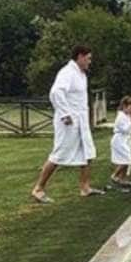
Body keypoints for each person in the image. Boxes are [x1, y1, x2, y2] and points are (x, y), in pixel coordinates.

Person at [31, 44, 104, 203]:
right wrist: (65, 114)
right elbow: (56, 93)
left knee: (88, 152)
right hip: (68, 122)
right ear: (80, 56)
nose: (90, 62)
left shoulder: (81, 74)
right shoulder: (67, 73)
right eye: (88, 58)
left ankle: (85, 187)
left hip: (81, 121)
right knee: (59, 154)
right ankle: (38, 188)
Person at [108, 96, 131, 192]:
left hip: (125, 140)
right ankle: (115, 175)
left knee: (126, 159)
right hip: (119, 140)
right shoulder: (120, 117)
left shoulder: (127, 116)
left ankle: (123, 179)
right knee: (126, 159)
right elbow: (125, 130)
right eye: (130, 107)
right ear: (124, 106)